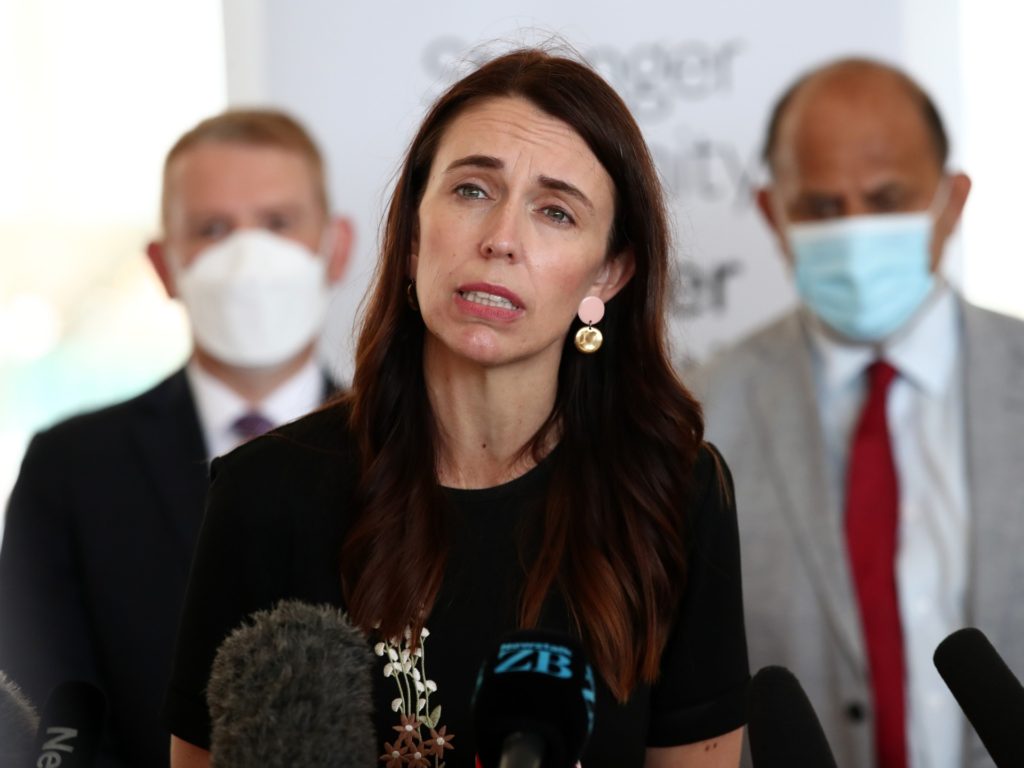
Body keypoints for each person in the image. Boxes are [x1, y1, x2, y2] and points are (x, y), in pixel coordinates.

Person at [163, 49, 750, 768]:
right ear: (413, 232)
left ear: (608, 273)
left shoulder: (676, 496)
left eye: (556, 211)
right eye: (473, 191)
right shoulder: (263, 494)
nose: (501, 239)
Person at [691, 58, 1024, 768]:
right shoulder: (693, 417)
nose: (855, 230)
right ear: (771, 213)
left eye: (886, 198)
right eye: (821, 207)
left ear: (952, 201)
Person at [0, 109, 353, 768]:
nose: (249, 259)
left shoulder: (407, 456)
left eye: (278, 224)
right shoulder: (69, 470)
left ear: (336, 247)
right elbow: (47, 706)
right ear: (164, 265)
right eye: (213, 230)